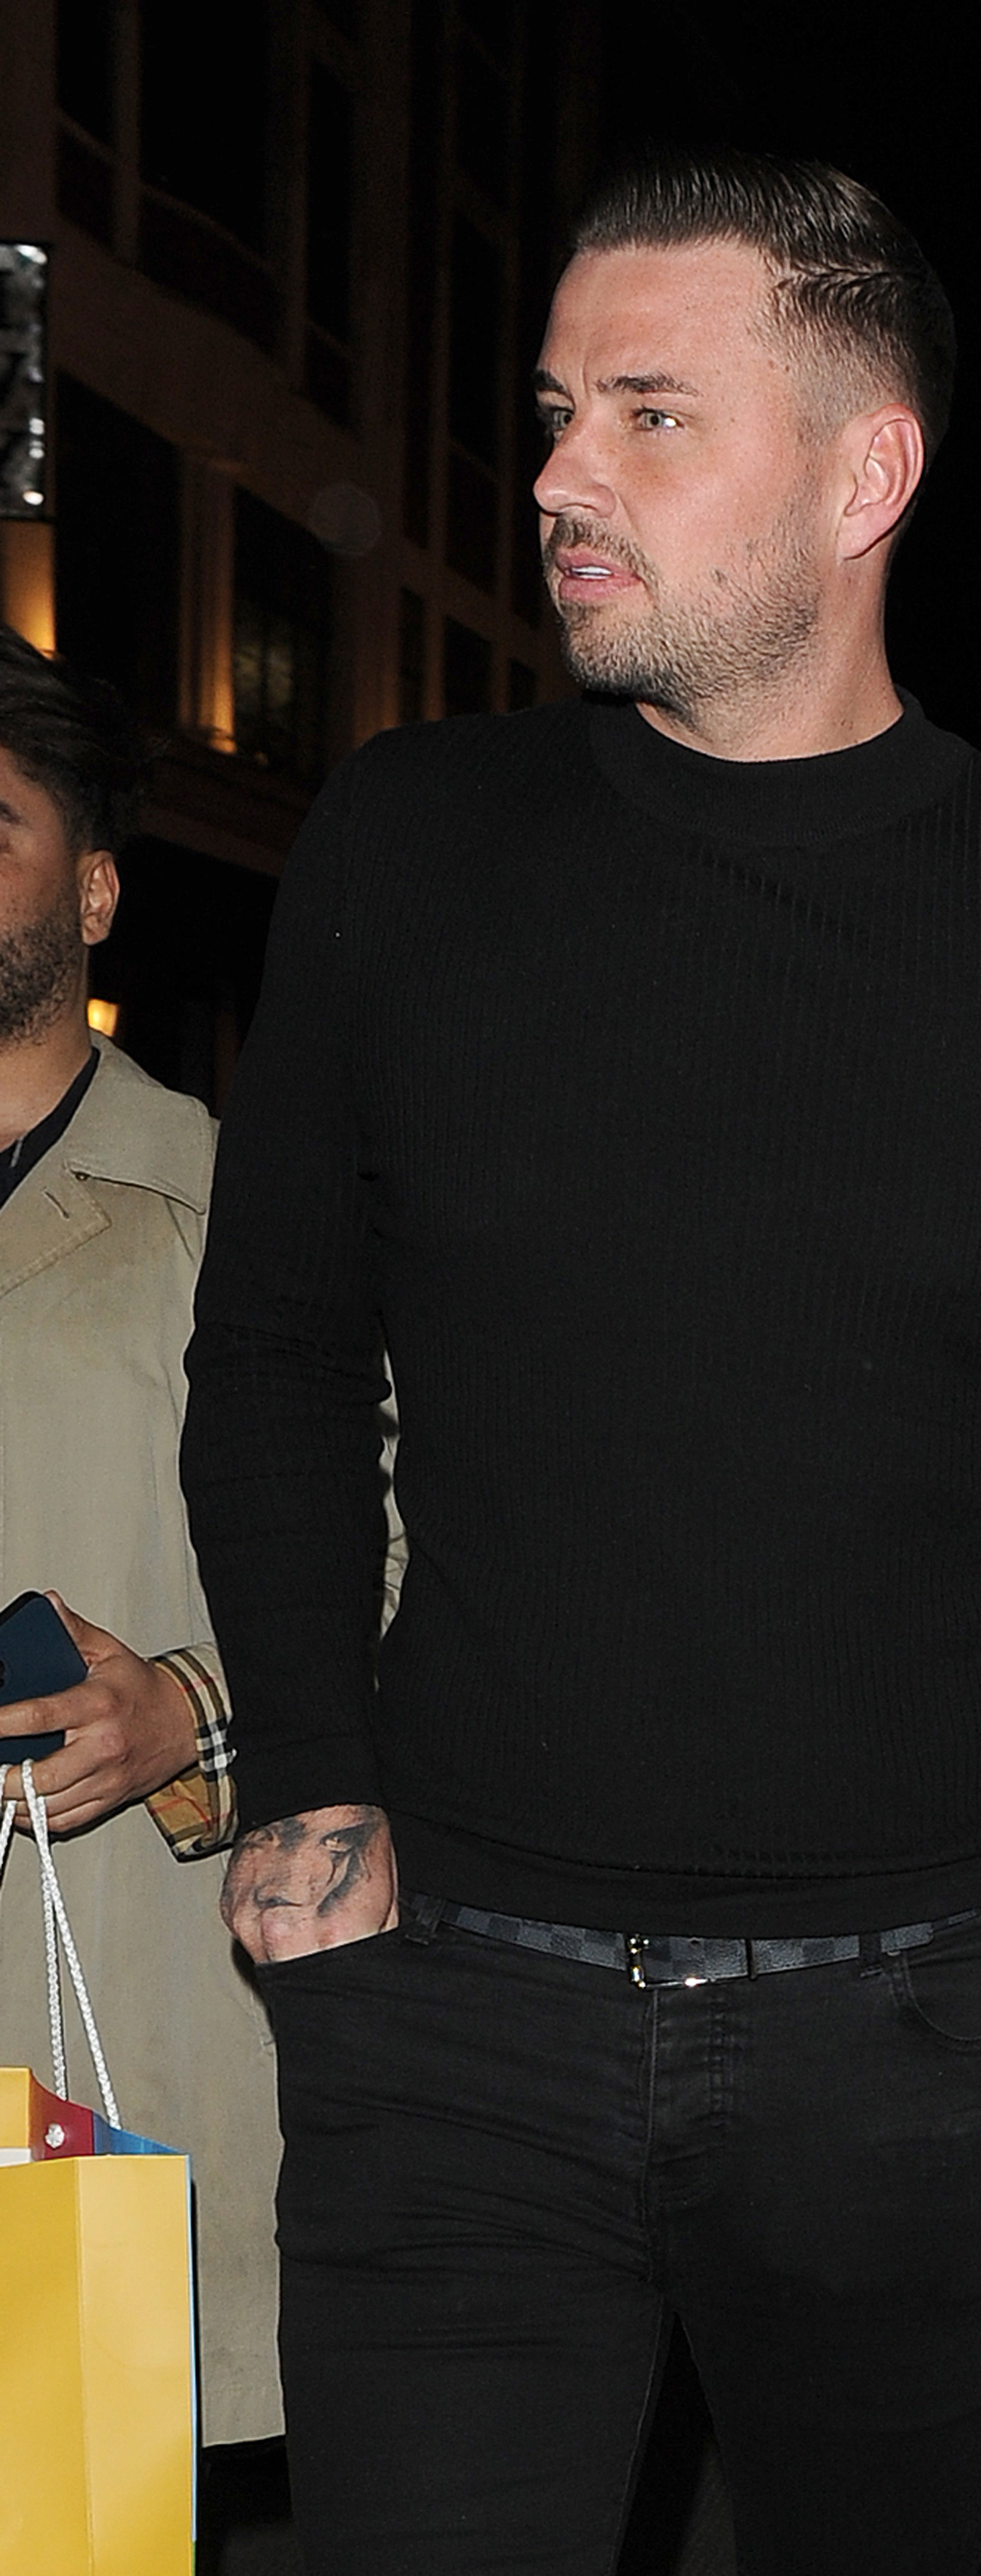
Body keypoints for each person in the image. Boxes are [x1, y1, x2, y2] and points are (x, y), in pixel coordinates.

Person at [180, 150, 981, 2576]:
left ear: (860, 470)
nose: (554, 476)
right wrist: (306, 1777)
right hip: (451, 2013)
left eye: (646, 415)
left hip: (908, 2043)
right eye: (551, 409)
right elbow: (275, 1346)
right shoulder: (411, 843)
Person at [0, 629, 286, 2447]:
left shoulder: (240, 1211)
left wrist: (188, 1710)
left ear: (93, 892)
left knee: (67, 2519)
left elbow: (423, 1562)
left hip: (72, 2044)